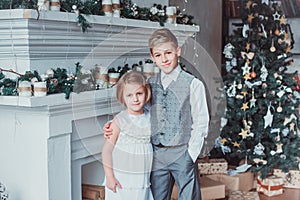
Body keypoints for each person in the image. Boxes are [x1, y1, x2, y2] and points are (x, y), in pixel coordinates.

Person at [104, 28, 210, 200]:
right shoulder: (150, 84)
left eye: (168, 53)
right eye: (159, 55)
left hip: (182, 152)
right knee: (157, 196)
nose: (164, 59)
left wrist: (191, 153)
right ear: (152, 57)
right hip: (157, 155)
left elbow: (201, 121)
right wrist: (115, 124)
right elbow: (140, 111)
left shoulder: (193, 84)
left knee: (189, 196)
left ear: (178, 51)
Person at [102, 70, 154, 200]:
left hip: (142, 180)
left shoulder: (150, 117)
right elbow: (106, 151)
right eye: (129, 95)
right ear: (122, 97)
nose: (135, 99)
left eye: (139, 94)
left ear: (146, 93)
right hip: (121, 179)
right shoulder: (119, 120)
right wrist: (109, 177)